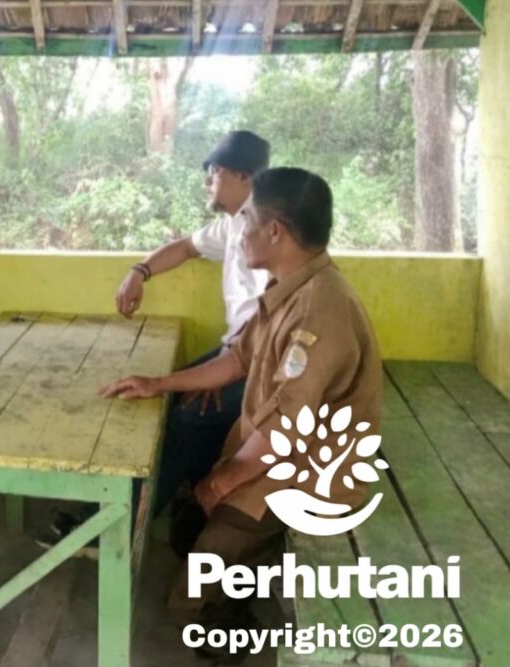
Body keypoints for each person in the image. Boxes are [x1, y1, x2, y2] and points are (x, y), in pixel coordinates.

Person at [100, 168, 383, 654]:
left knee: (185, 603)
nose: (239, 230)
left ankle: (237, 621)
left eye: (247, 218)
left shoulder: (318, 309)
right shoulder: (290, 286)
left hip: (308, 475)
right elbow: (236, 360)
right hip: (272, 455)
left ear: (274, 232)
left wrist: (222, 482)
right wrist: (158, 384)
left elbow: (286, 430)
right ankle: (247, 558)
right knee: (189, 529)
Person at [40, 131, 271, 555]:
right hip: (239, 352)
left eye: (216, 171)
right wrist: (139, 272)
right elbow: (185, 247)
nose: (208, 180)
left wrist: (220, 371)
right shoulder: (236, 224)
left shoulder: (267, 232)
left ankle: (113, 529)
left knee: (184, 419)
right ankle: (184, 505)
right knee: (174, 402)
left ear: (246, 176)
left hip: (263, 367)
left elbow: (270, 320)